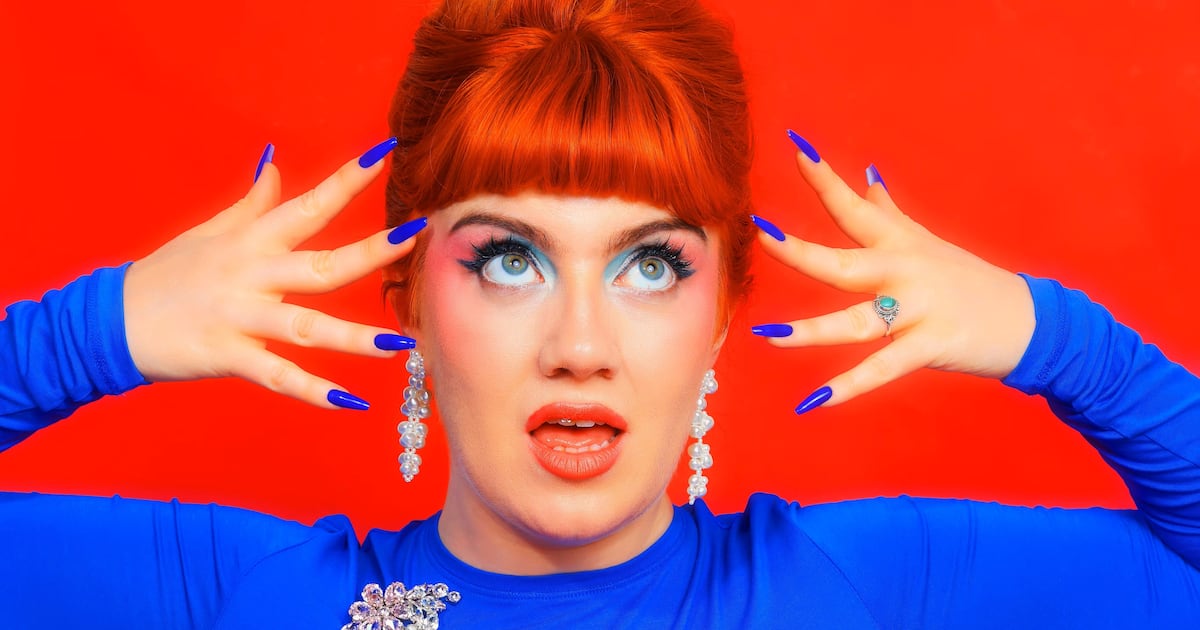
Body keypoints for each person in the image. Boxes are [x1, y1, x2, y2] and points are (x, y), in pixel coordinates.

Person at [3, 0, 1200, 627]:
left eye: (651, 267)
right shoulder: (262, 598)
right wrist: (87, 335)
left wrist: (1056, 338)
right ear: (410, 300)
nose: (581, 347)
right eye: (508, 260)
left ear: (723, 315)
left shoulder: (856, 585)